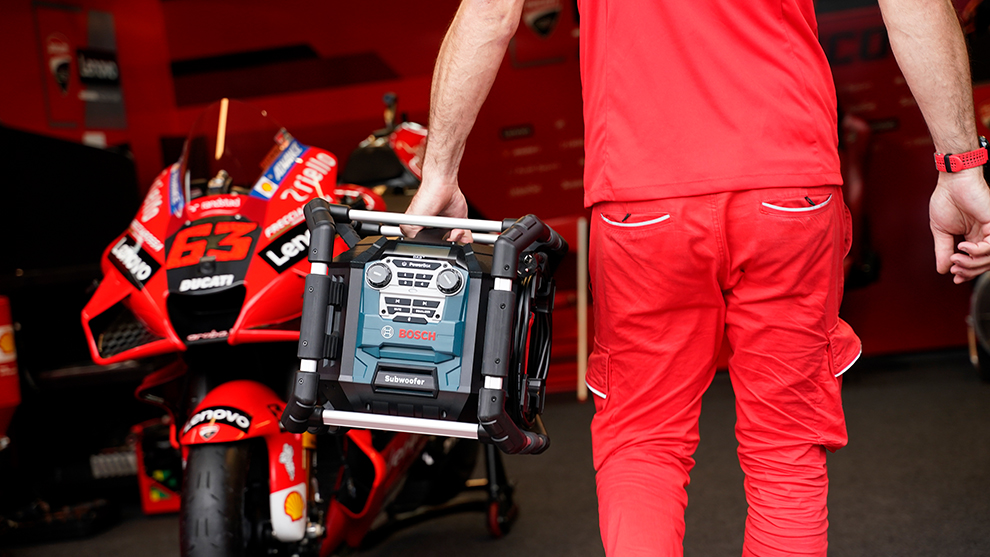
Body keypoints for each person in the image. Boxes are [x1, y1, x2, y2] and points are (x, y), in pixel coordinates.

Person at [404, 0, 990, 554]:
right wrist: (960, 166)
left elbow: (491, 12)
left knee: (643, 441)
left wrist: (439, 173)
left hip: (641, 199)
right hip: (788, 185)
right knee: (786, 450)